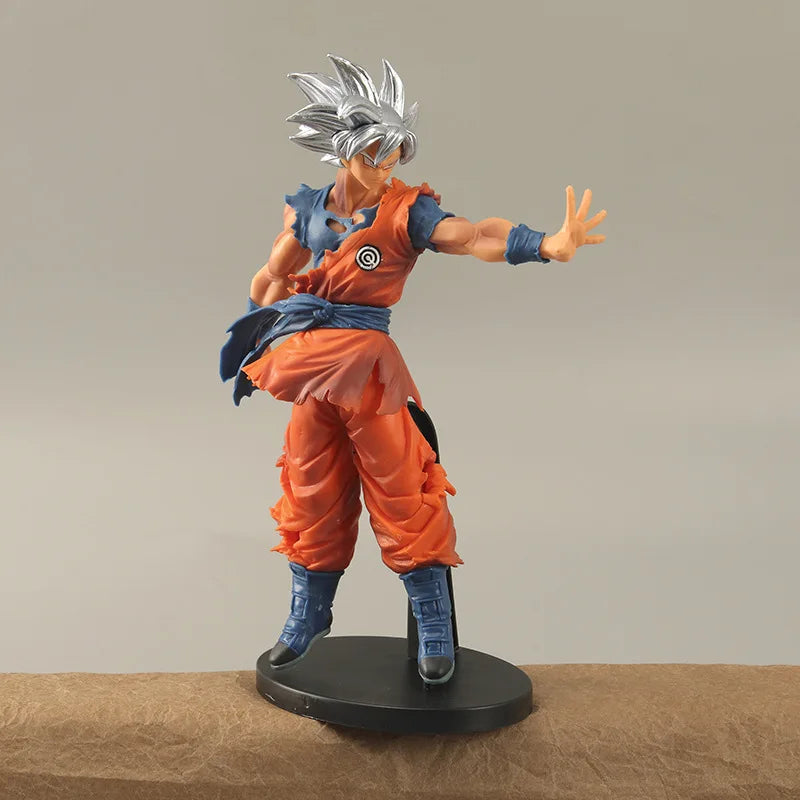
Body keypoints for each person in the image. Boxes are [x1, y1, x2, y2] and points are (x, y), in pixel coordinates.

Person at [220, 55, 606, 685]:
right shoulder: (308, 209)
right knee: (309, 488)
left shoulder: (408, 211)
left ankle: (433, 621)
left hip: (369, 373)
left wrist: (543, 244)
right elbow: (271, 273)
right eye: (374, 154)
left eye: (394, 154)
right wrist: (259, 324)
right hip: (310, 370)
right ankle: (308, 614)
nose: (386, 166)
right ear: (345, 149)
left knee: (402, 488)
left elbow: (471, 235)